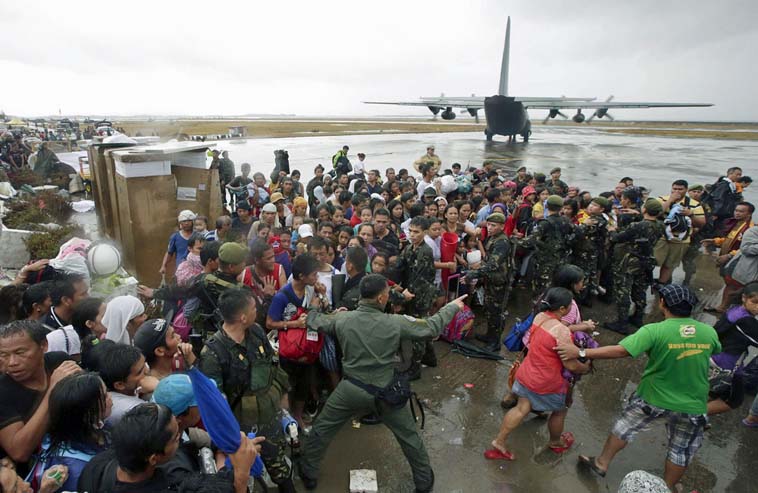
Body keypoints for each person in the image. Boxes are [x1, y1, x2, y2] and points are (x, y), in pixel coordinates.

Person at [299, 274, 466, 492]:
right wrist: (452, 307)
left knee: (322, 428)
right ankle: (424, 481)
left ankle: (308, 473)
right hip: (386, 392)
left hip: (349, 389)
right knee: (410, 438)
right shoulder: (395, 322)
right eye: (387, 294)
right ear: (380, 299)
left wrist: (313, 308)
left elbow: (315, 321)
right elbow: (432, 328)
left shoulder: (342, 319)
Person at [555, 284, 720, 491]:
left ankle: (601, 463)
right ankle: (666, 487)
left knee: (624, 427)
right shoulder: (709, 332)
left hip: (654, 396)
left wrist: (581, 353)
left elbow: (621, 350)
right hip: (693, 402)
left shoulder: (654, 330)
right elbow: (712, 353)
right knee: (680, 450)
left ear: (662, 303)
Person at [200, 289, 294, 492]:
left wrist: (283, 402)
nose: (257, 311)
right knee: (244, 479)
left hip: (270, 419)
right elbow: (217, 403)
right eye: (253, 308)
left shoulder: (257, 332)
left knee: (281, 472)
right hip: (241, 431)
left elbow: (272, 368)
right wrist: (236, 437)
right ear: (242, 317)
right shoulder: (213, 354)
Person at [485, 288, 589, 462]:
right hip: (546, 381)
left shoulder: (539, 318)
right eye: (570, 305)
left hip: (526, 373)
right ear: (562, 309)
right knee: (560, 411)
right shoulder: (561, 331)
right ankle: (556, 442)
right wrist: (585, 366)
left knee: (520, 408)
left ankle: (499, 441)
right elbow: (570, 364)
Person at [78, 403, 262, 493]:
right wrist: (241, 472)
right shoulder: (174, 485)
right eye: (176, 438)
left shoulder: (96, 466)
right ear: (153, 458)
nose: (180, 439)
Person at [0, 320, 82, 472]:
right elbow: (19, 452)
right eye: (4, 355)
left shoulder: (58, 361)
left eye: (20, 353)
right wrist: (54, 389)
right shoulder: (3, 392)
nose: (12, 362)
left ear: (43, 346)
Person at [266, 254, 328, 428]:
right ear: (301, 276)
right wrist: (293, 324)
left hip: (307, 349)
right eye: (314, 274)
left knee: (303, 385)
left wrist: (322, 296)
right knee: (286, 387)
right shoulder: (282, 296)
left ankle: (298, 417)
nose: (317, 278)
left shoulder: (311, 290)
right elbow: (270, 323)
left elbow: (323, 309)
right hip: (288, 351)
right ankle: (287, 423)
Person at [27, 372, 111, 491]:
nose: (110, 398)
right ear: (87, 414)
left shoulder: (100, 427)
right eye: (105, 396)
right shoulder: (75, 472)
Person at [605, 199, 665, 333]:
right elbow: (648, 224)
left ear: (645, 210)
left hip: (631, 261)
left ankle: (622, 322)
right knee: (639, 290)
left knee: (623, 290)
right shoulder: (660, 225)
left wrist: (611, 230)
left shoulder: (636, 226)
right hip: (646, 260)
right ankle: (638, 317)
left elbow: (617, 238)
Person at [707, 282, 758, 416]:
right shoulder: (747, 322)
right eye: (755, 302)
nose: (757, 307)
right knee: (734, 399)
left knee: (713, 392)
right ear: (744, 298)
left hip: (719, 357)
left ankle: (691, 414)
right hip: (727, 363)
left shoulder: (734, 309)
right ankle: (692, 415)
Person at [465, 213, 512, 352]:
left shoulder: (502, 242)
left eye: (494, 225)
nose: (490, 228)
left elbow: (493, 264)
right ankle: (489, 335)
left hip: (499, 282)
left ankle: (495, 342)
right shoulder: (493, 238)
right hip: (491, 280)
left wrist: (474, 273)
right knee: (489, 309)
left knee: (496, 312)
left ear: (502, 226)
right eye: (489, 225)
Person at [702, 201, 755, 313]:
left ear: (749, 214)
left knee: (734, 286)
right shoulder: (736, 224)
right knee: (729, 284)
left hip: (738, 262)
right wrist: (715, 241)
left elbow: (744, 248)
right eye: (736, 210)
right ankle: (724, 307)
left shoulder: (750, 229)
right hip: (728, 258)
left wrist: (729, 255)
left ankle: (727, 308)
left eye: (741, 211)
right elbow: (729, 240)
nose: (737, 213)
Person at [655, 180, 705, 284]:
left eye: (680, 189)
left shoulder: (695, 204)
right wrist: (670, 201)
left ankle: (661, 284)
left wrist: (690, 214)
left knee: (670, 264)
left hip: (681, 239)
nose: (677, 191)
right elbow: (655, 213)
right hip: (661, 237)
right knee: (654, 261)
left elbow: (701, 223)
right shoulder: (661, 199)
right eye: (674, 189)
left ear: (686, 190)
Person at [97, 343, 148, 427]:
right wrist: (158, 387)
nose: (147, 371)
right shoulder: (131, 410)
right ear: (120, 385)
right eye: (140, 372)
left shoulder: (128, 390)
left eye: (145, 364)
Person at [161, 210, 196, 275]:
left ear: (193, 222)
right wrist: (164, 266)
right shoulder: (175, 237)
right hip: (181, 271)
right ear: (180, 223)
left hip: (196, 270)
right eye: (184, 221)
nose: (186, 223)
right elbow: (169, 253)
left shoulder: (198, 236)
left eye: (189, 220)